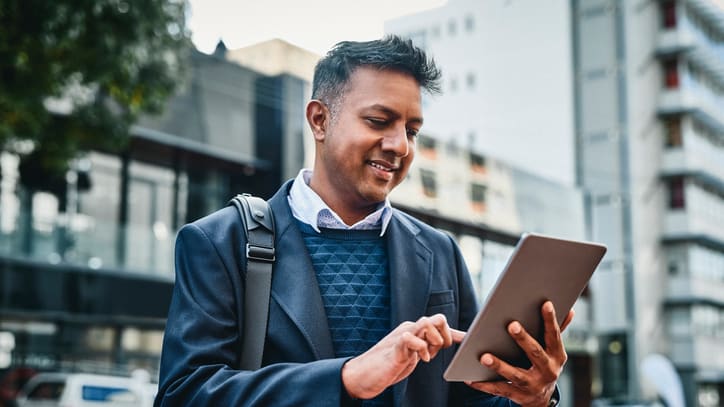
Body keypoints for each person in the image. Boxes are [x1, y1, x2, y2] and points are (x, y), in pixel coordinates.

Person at [155, 36, 573, 407]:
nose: (399, 146)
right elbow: (184, 394)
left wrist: (533, 398)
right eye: (378, 121)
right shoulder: (218, 242)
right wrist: (346, 379)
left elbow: (470, 399)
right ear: (320, 120)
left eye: (412, 130)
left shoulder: (439, 251)